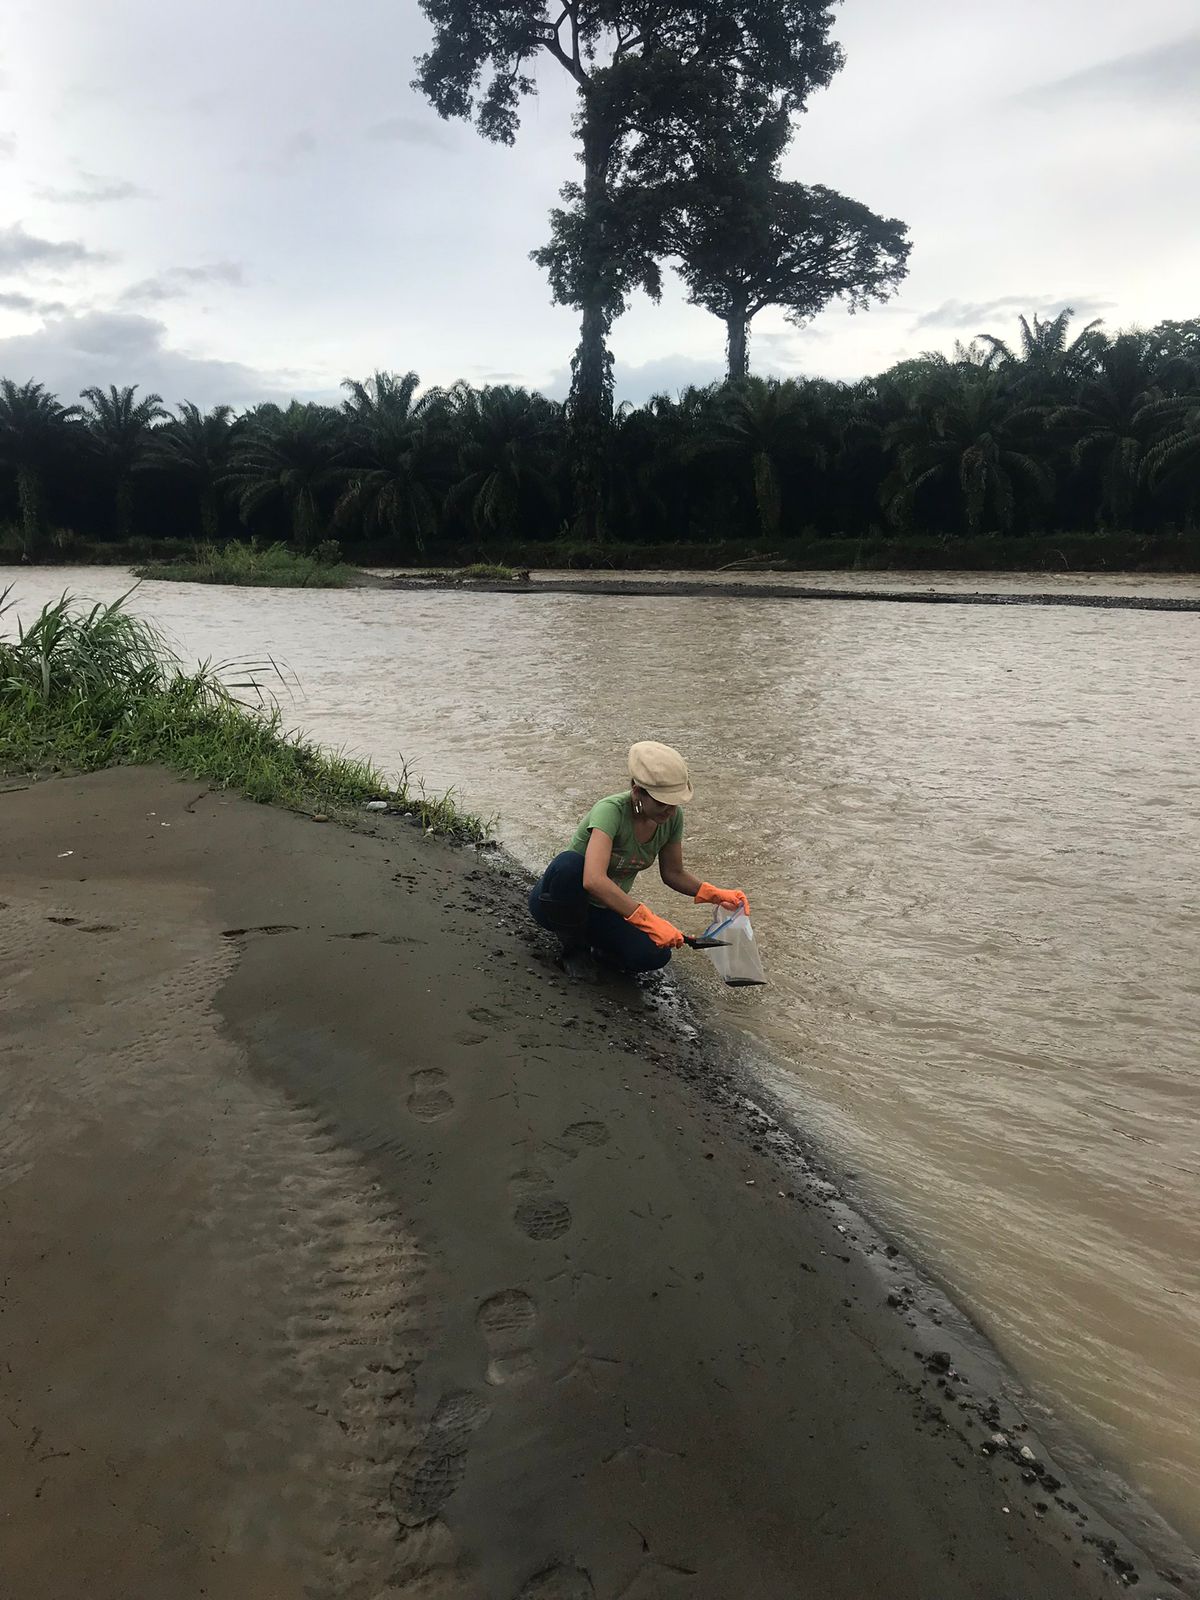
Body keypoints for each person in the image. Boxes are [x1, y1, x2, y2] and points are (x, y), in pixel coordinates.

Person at [528, 740, 750, 975]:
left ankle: (601, 949)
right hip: (560, 903)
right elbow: (593, 880)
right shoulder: (610, 811)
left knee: (656, 953)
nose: (670, 811)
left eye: (675, 804)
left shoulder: (672, 818)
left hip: (604, 909)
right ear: (637, 792)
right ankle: (574, 949)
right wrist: (649, 920)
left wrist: (715, 895)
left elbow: (673, 873)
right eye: (662, 803)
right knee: (569, 864)